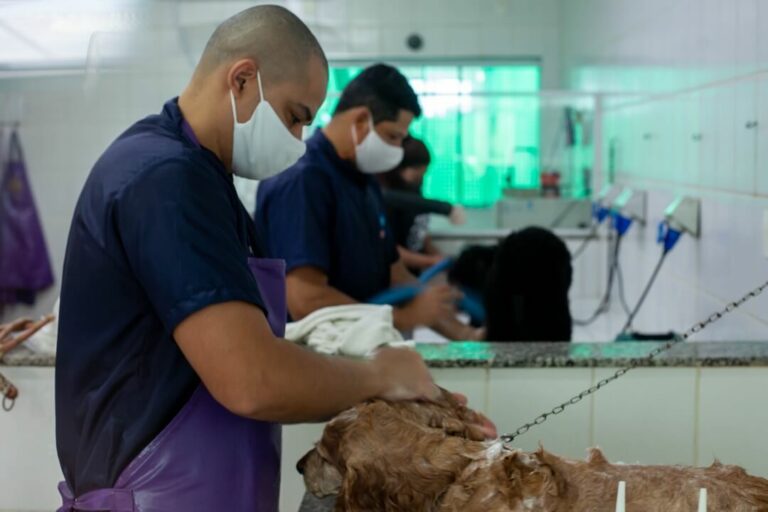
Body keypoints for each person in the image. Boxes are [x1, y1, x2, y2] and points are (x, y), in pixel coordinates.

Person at [54, 8, 493, 512]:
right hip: (154, 495)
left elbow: (241, 344)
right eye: (295, 116)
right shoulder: (166, 181)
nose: (299, 139)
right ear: (242, 79)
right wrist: (380, 376)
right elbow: (250, 378)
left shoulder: (202, 180)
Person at [255, 64, 480, 341]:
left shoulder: (362, 181)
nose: (397, 151)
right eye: (392, 137)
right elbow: (306, 299)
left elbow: (395, 274)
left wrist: (468, 333)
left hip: (360, 353)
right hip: (311, 359)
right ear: (362, 120)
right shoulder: (302, 181)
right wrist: (405, 318)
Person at [378, 135, 466, 272]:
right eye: (416, 173)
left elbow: (419, 235)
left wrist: (439, 258)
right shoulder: (389, 201)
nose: (420, 179)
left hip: (415, 275)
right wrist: (429, 261)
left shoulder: (416, 196)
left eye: (423, 174)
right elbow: (389, 249)